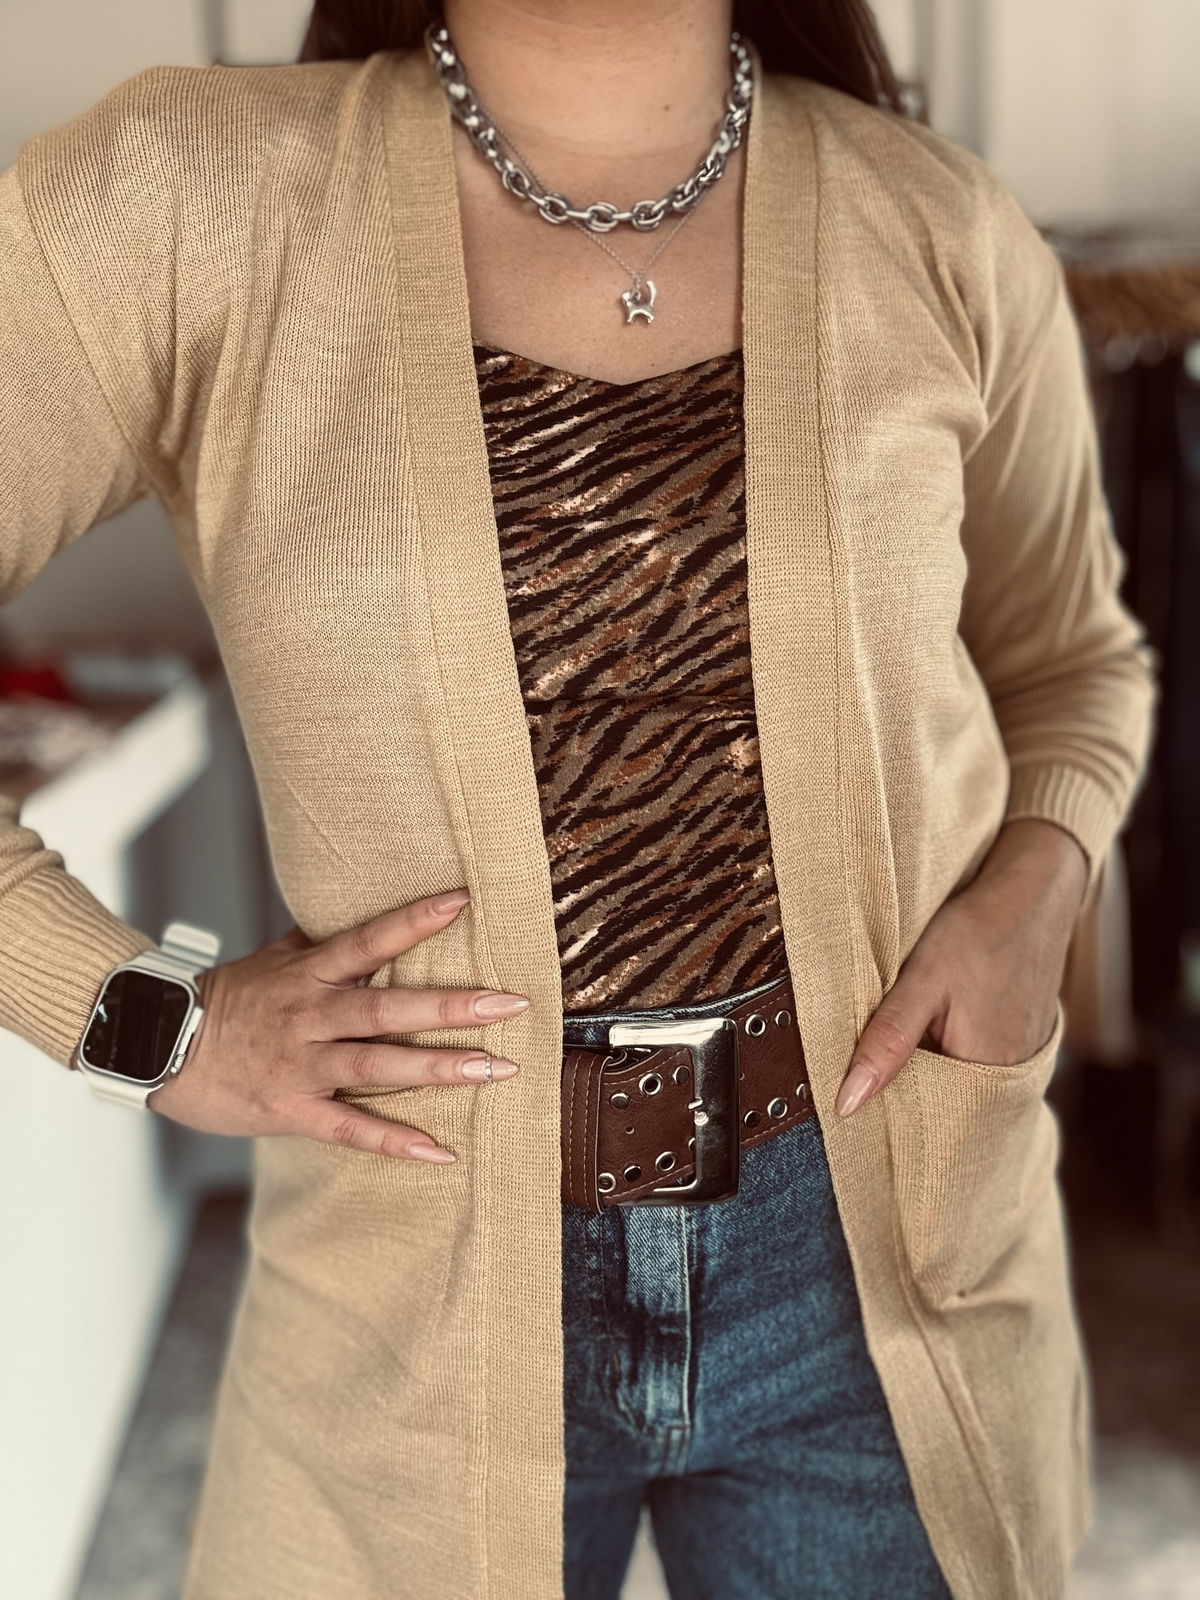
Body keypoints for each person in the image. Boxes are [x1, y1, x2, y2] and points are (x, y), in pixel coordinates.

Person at [0, 1, 1156, 1596]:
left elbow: (1074, 660)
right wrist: (143, 1019)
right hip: (412, 1275)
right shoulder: (192, 197)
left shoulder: (937, 219)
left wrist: (1037, 888)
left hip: (885, 1238)